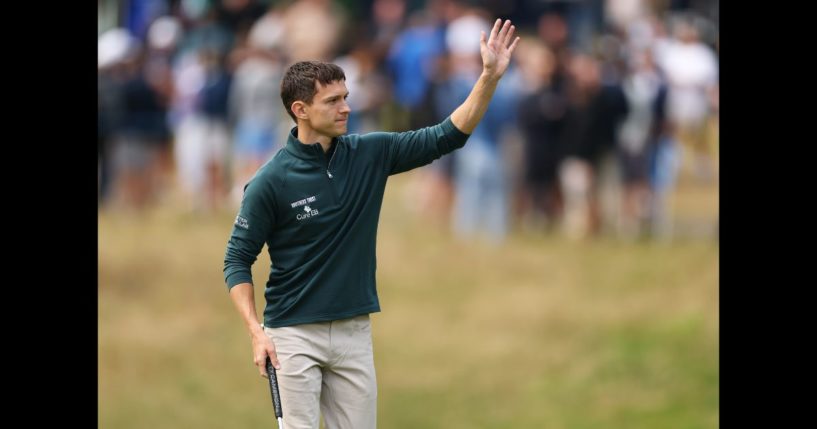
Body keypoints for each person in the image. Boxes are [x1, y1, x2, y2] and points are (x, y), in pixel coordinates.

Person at [223, 19, 520, 429]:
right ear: (301, 110)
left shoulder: (370, 152)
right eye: (332, 101)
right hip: (291, 335)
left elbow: (447, 136)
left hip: (353, 332)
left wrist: (488, 77)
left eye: (346, 97)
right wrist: (256, 331)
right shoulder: (270, 181)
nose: (346, 107)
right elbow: (237, 258)